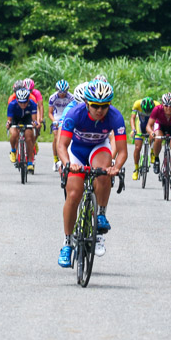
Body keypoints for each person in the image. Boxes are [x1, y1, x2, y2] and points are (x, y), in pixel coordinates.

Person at [57, 80, 128, 264]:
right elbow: (62, 145)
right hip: (77, 151)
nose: (100, 110)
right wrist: (67, 164)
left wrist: (116, 167)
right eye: (95, 106)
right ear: (87, 103)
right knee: (74, 194)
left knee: (103, 171)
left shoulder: (115, 117)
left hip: (98, 148)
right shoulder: (75, 113)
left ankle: (100, 215)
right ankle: (67, 243)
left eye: (104, 106)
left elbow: (122, 151)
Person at [6, 88, 39, 171]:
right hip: (15, 119)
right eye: (20, 102)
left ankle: (30, 162)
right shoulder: (12, 105)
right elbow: (9, 120)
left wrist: (35, 123)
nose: (23, 105)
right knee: (14, 134)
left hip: (27, 119)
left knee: (28, 138)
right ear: (17, 100)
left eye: (25, 102)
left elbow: (34, 120)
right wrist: (8, 124)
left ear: (28, 99)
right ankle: (13, 150)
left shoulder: (32, 104)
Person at [146, 92, 171, 174]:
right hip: (160, 126)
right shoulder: (157, 109)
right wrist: (151, 132)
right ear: (162, 104)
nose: (168, 108)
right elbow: (149, 125)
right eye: (166, 105)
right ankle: (156, 158)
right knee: (158, 138)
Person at [130, 96, 160, 180]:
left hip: (152, 124)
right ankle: (136, 169)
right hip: (141, 125)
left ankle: (152, 152)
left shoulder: (157, 105)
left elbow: (158, 120)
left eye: (149, 112)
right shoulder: (137, 104)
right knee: (137, 147)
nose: (147, 113)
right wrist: (133, 129)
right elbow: (132, 118)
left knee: (153, 135)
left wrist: (156, 131)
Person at [48, 79, 74, 171]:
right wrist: (54, 121)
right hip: (57, 117)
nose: (62, 94)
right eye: (60, 92)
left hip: (68, 116)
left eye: (64, 92)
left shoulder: (71, 97)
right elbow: (50, 113)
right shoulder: (53, 98)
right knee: (56, 136)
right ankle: (56, 160)